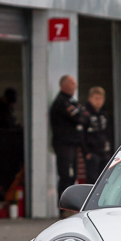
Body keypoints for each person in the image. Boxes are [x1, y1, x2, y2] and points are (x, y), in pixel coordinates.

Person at [50, 75, 86, 210]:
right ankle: (63, 208)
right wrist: (80, 116)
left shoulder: (72, 101)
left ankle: (71, 207)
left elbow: (84, 116)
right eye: (72, 83)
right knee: (65, 175)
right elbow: (78, 118)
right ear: (64, 85)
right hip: (64, 144)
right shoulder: (61, 102)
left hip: (72, 144)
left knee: (72, 177)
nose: (75, 86)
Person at [82, 86, 113, 180]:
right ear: (90, 98)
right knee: (92, 178)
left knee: (105, 178)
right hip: (92, 152)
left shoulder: (104, 114)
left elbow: (109, 132)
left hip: (104, 151)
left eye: (101, 99)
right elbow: (81, 134)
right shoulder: (85, 114)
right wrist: (86, 152)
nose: (98, 101)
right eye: (96, 98)